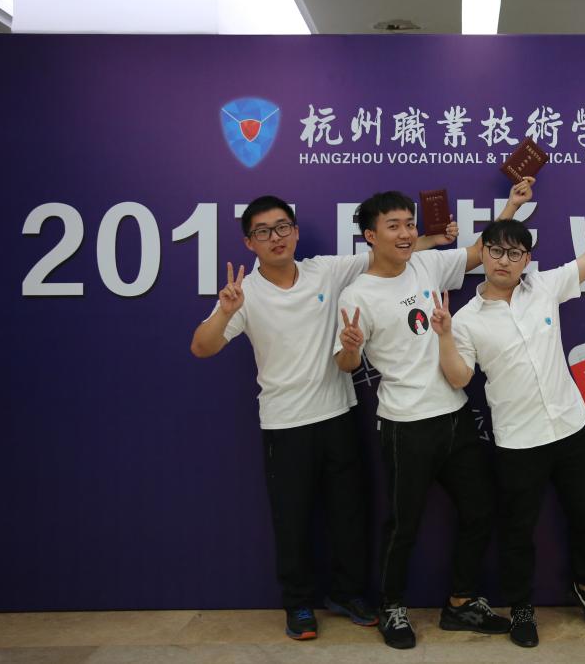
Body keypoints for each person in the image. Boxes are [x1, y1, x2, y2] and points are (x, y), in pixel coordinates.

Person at [189, 195, 456, 641]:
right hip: (284, 423)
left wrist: (428, 238)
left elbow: (385, 253)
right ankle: (297, 604)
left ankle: (348, 594)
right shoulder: (243, 294)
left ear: (295, 232)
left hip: (338, 414)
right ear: (249, 242)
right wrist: (227, 313)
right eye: (263, 232)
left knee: (349, 514)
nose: (275, 237)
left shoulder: (325, 271)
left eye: (282, 227)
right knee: (291, 519)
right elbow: (202, 346)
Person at [431, 212, 585, 647]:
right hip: (519, 441)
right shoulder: (465, 319)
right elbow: (460, 378)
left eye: (514, 253)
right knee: (518, 531)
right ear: (483, 254)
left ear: (526, 260)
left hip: (571, 428)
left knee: (584, 517)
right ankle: (521, 607)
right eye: (495, 251)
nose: (503, 260)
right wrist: (444, 335)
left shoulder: (543, 288)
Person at [333, 179, 535, 649]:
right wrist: (351, 348)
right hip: (405, 425)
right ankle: (392, 607)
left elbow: (478, 252)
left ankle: (461, 603)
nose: (406, 233)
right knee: (404, 524)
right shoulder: (357, 295)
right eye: (394, 226)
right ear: (370, 235)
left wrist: (511, 205)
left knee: (480, 510)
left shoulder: (425, 263)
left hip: (455, 415)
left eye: (409, 224)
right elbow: (345, 365)